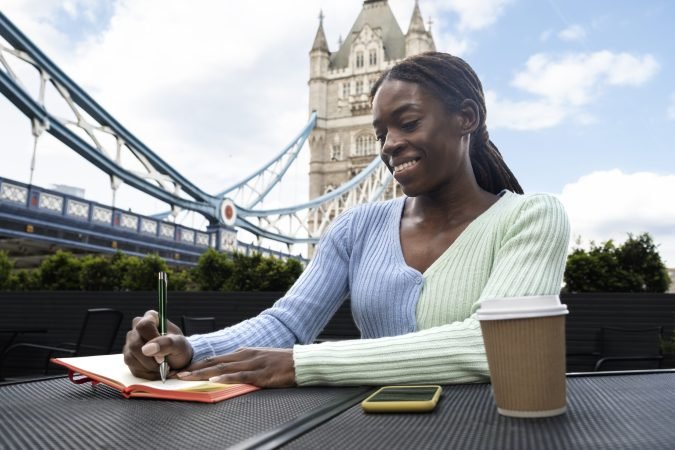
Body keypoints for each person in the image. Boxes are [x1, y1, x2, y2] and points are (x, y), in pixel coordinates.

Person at [123, 52, 570, 387]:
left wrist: (307, 364)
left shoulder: (530, 217)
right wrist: (189, 350)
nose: (390, 145)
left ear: (466, 117)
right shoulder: (357, 227)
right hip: (371, 428)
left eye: (408, 123)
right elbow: (287, 325)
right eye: (380, 133)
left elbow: (496, 345)